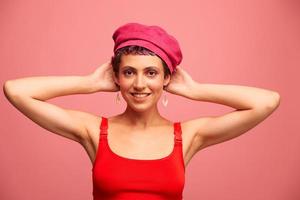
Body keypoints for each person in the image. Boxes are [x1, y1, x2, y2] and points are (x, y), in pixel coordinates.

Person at [3, 22, 280, 200]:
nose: (139, 84)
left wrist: (196, 89)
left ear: (166, 78)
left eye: (151, 73)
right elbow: (15, 91)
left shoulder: (187, 135)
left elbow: (267, 101)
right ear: (117, 78)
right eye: (128, 72)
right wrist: (88, 83)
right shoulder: (93, 131)